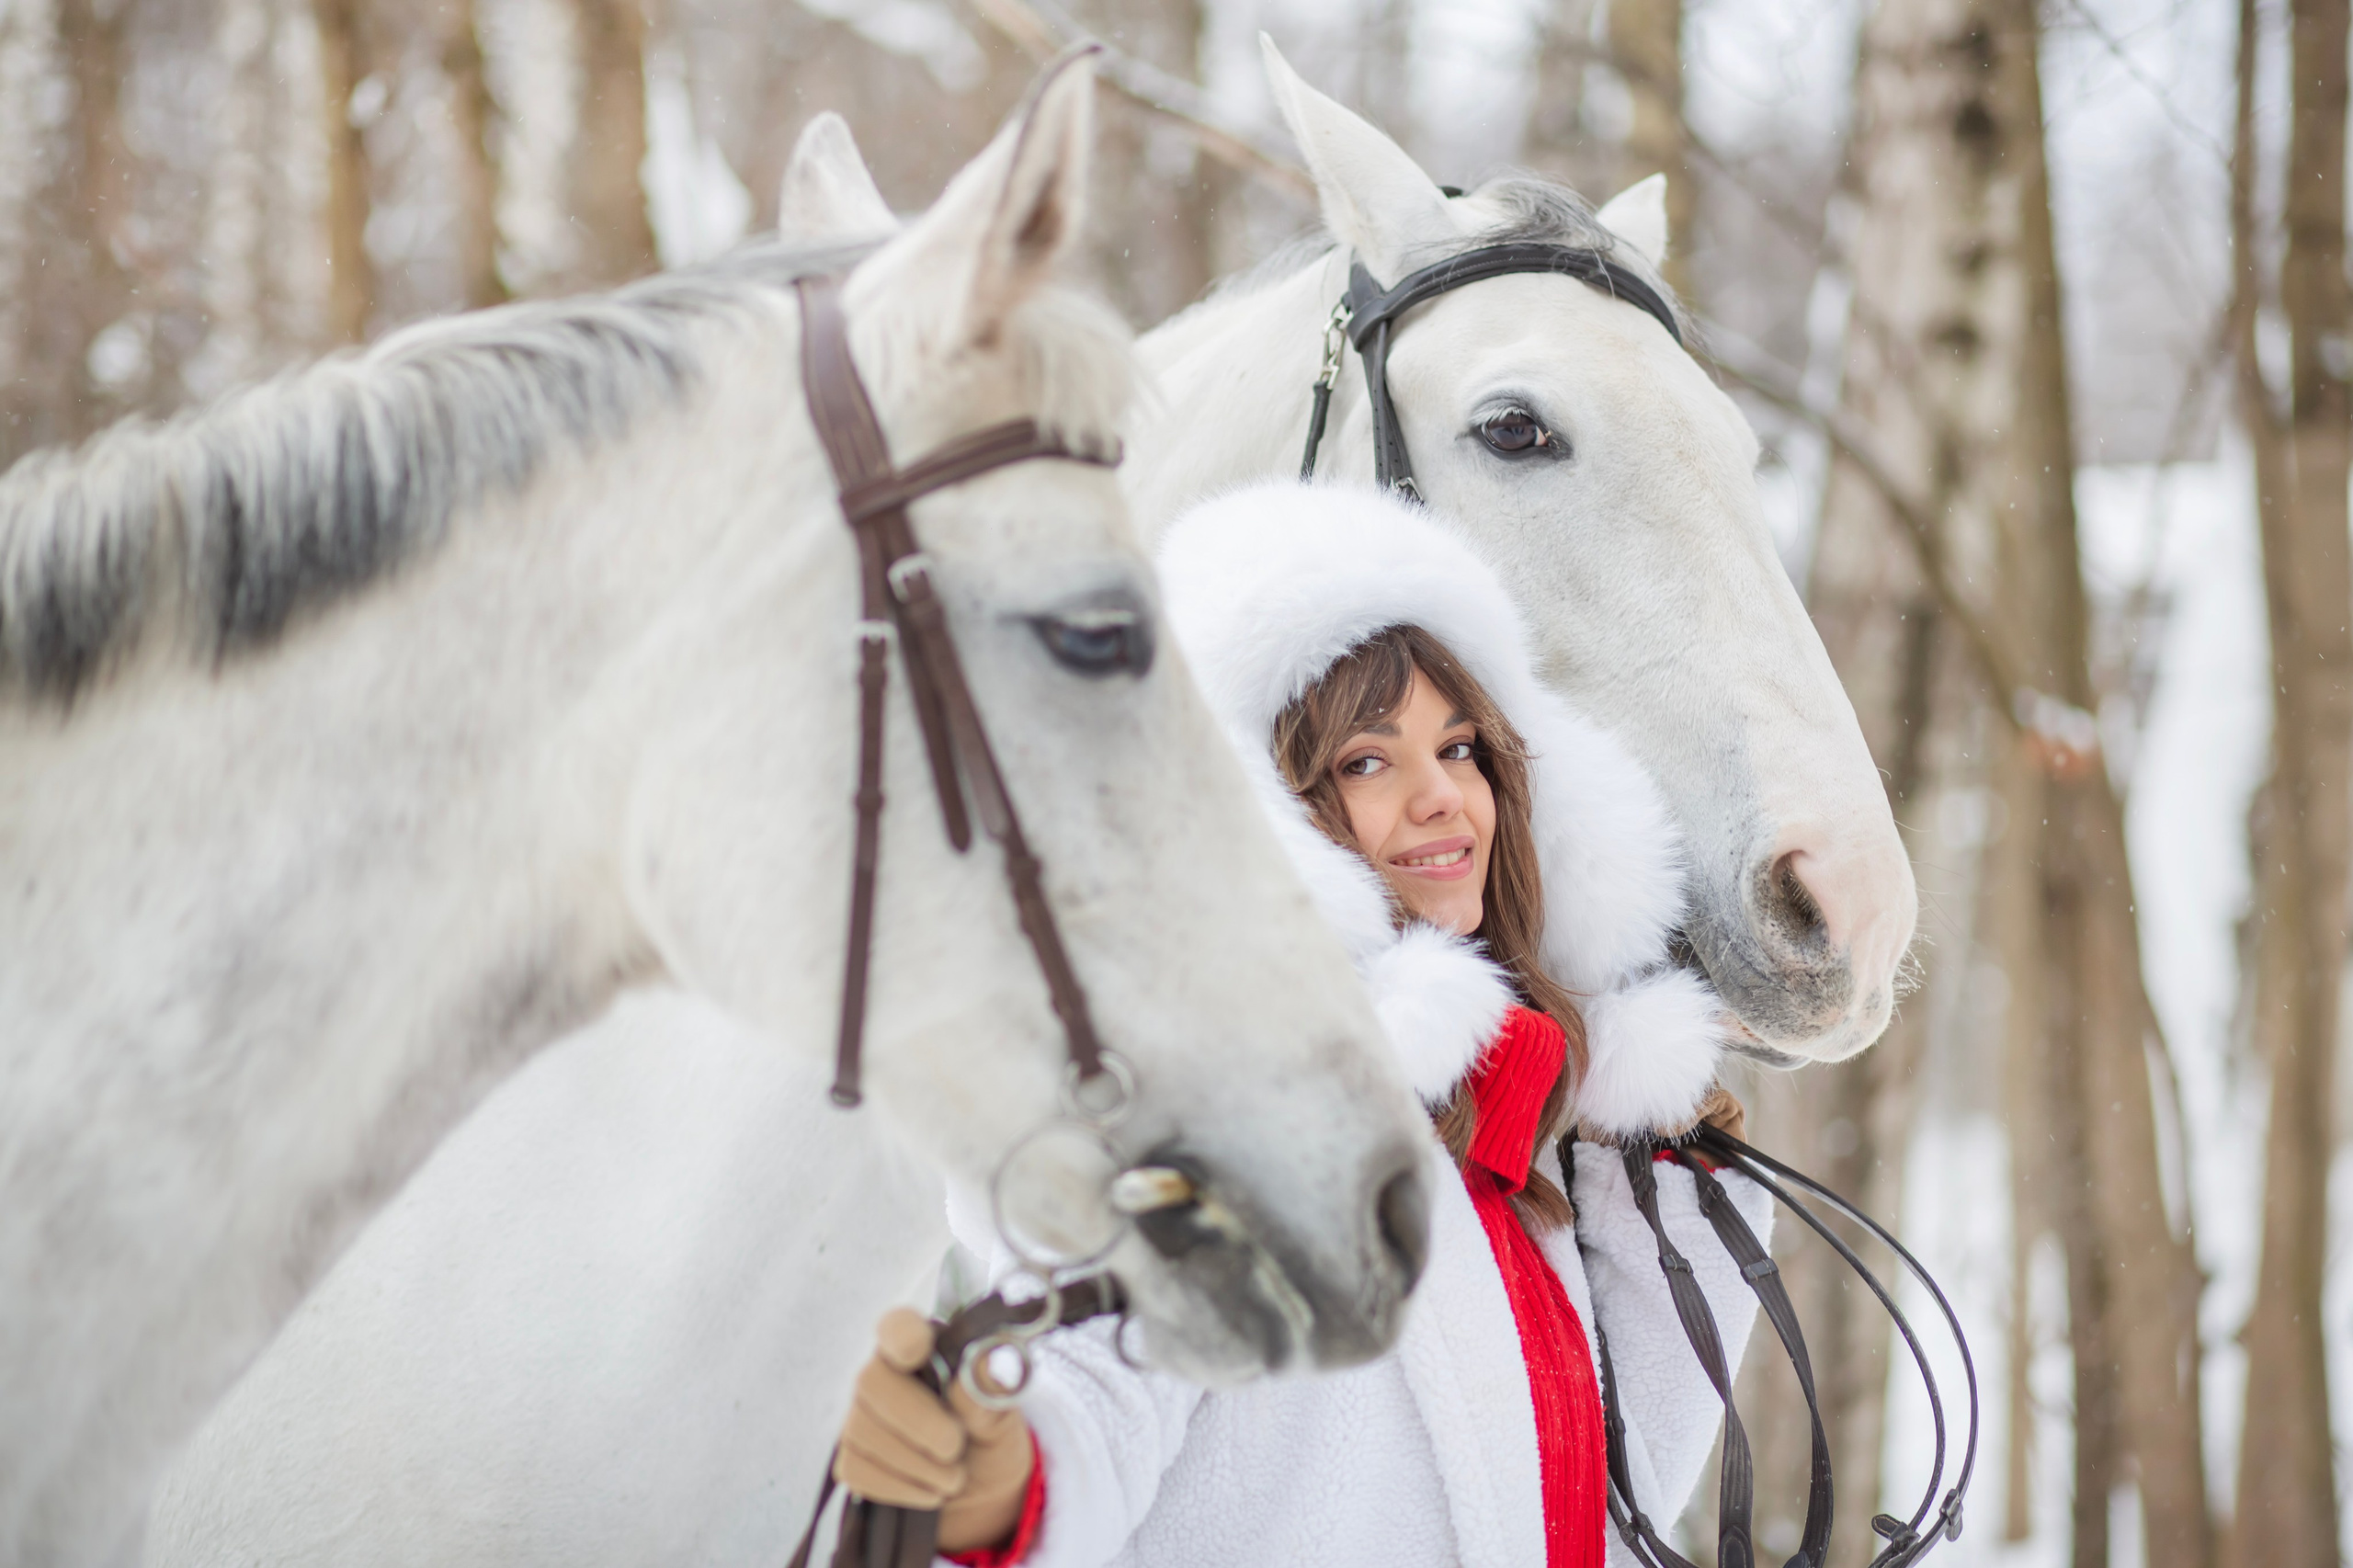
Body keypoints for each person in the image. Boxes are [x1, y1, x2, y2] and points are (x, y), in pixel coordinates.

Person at [827, 483, 1771, 1568]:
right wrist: (1003, 1476)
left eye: (1460, 747)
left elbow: (1603, 1504)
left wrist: (1665, 1198)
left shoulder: (1499, 1148)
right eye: (1365, 760)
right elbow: (1102, 1362)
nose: (1440, 795)